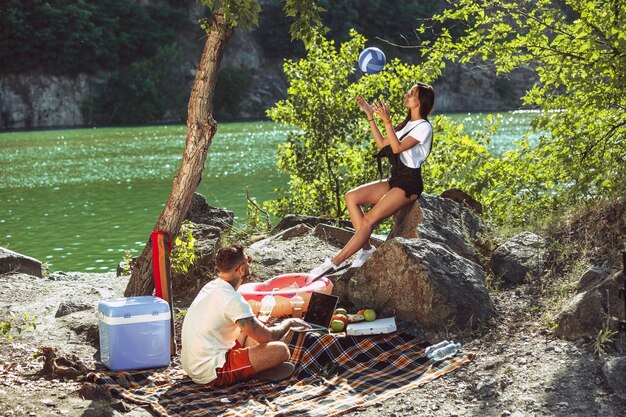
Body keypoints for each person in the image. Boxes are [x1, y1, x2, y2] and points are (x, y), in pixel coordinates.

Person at [310, 82, 435, 277]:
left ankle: (334, 263)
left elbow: (397, 148)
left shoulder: (424, 127)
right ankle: (366, 249)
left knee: (369, 220)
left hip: (409, 183)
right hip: (395, 178)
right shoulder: (407, 124)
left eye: (411, 93)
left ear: (421, 101)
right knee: (351, 197)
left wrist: (387, 122)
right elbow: (382, 144)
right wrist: (371, 116)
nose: (406, 94)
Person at [181, 245, 310, 386]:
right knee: (280, 351)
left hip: (193, 363)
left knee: (250, 334)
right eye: (248, 260)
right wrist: (289, 323)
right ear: (241, 269)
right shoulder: (231, 299)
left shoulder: (211, 286)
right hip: (210, 371)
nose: (250, 262)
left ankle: (255, 367)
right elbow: (268, 337)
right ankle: (255, 371)